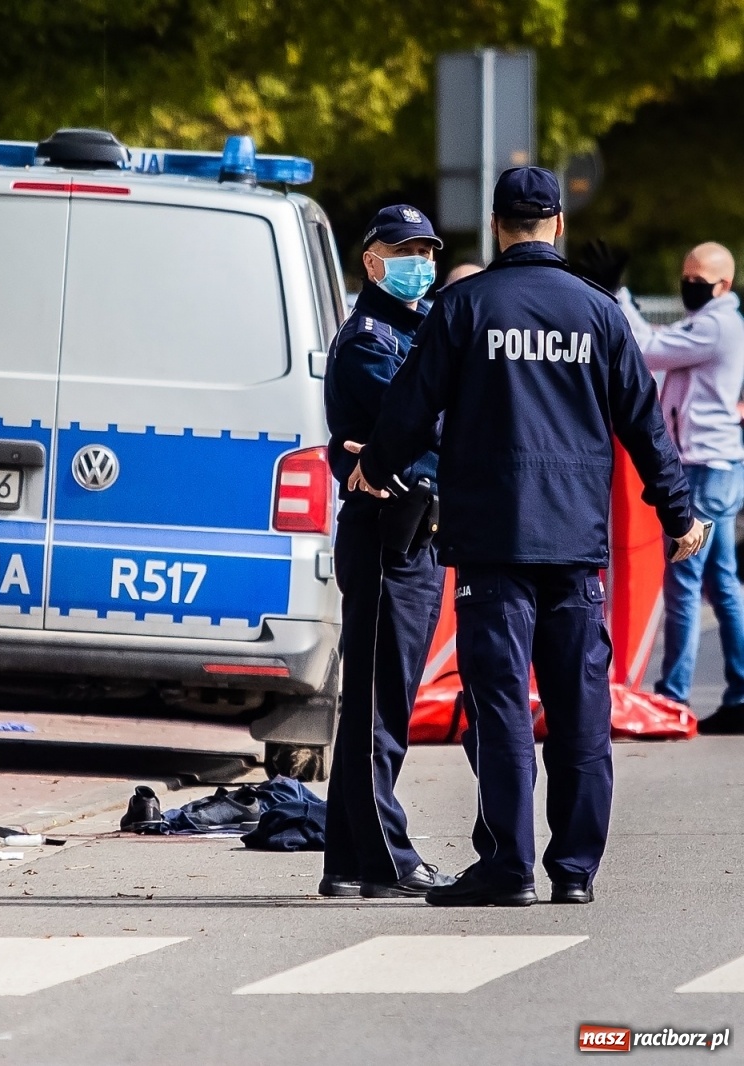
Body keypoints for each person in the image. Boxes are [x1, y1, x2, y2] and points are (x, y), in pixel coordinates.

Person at [345, 167, 705, 907]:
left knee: (502, 705)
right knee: (580, 710)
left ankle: (508, 868)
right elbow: (644, 424)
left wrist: (373, 468)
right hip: (576, 545)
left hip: (493, 543)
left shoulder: (466, 307)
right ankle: (574, 872)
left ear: (497, 225)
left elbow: (410, 406)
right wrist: (680, 515)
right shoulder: (599, 313)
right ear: (559, 225)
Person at [317, 204, 452, 900]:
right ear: (371, 261)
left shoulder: (420, 330)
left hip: (416, 533)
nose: (419, 262)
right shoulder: (372, 341)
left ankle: (345, 860)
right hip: (385, 534)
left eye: (427, 250)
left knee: (380, 702)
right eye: (404, 250)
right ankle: (385, 860)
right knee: (379, 709)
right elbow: (420, 427)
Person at [613, 243, 744, 734]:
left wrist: (622, 298)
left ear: (723, 285)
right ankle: (740, 690)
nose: (689, 284)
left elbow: (649, 350)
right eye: (685, 274)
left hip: (706, 468)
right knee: (723, 583)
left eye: (698, 278)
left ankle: (673, 697)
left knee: (686, 582)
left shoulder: (716, 324)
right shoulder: (718, 322)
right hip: (720, 463)